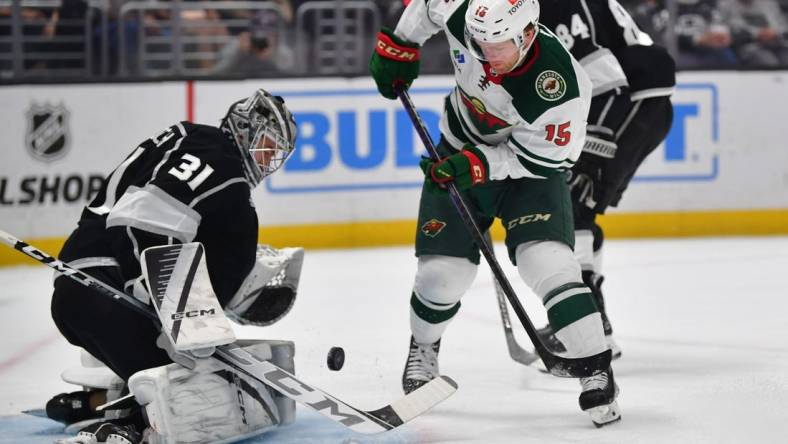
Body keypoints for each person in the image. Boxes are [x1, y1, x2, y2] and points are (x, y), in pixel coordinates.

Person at [369, 0, 621, 427]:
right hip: (458, 146)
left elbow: (542, 162)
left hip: (528, 174)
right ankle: (424, 348)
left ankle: (596, 370)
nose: (487, 55)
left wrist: (479, 166)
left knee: (547, 263)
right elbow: (426, 8)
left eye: (498, 45)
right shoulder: (464, 12)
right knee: (441, 275)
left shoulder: (560, 85)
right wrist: (400, 44)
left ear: (526, 34)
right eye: (480, 43)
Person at [48, 88, 298, 443]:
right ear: (244, 128)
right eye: (266, 147)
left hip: (92, 288)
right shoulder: (218, 159)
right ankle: (130, 425)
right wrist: (170, 307)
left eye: (276, 156)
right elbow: (144, 219)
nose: (267, 161)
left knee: (186, 375)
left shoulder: (197, 145)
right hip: (105, 288)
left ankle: (101, 404)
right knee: (197, 389)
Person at [536, 1, 676, 360]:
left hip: (626, 103)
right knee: (578, 210)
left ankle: (591, 330)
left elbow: (604, 79)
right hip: (636, 103)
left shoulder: (554, 5)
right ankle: (592, 325)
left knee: (572, 207)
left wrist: (595, 144)